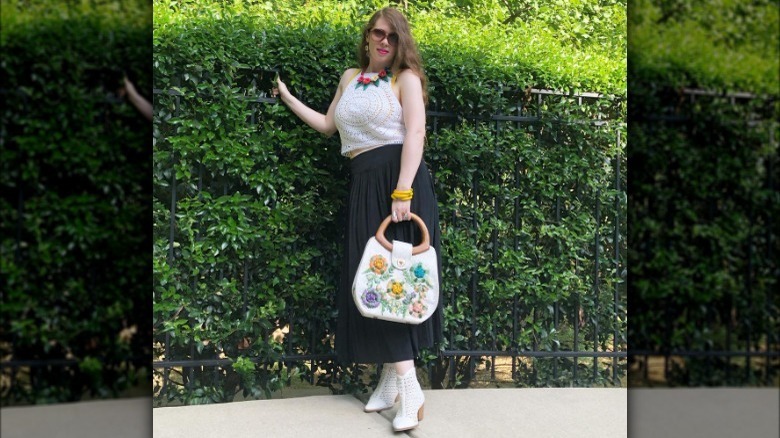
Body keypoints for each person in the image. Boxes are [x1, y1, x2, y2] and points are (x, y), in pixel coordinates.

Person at [272, 7, 441, 433]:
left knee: (393, 283)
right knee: (374, 281)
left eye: (393, 37)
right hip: (364, 181)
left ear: (400, 43)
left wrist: (402, 191)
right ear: (367, 37)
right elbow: (329, 126)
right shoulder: (350, 77)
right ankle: (389, 380)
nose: (384, 41)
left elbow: (416, 135)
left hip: (397, 184)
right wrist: (289, 98)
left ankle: (410, 387)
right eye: (378, 34)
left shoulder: (406, 79)